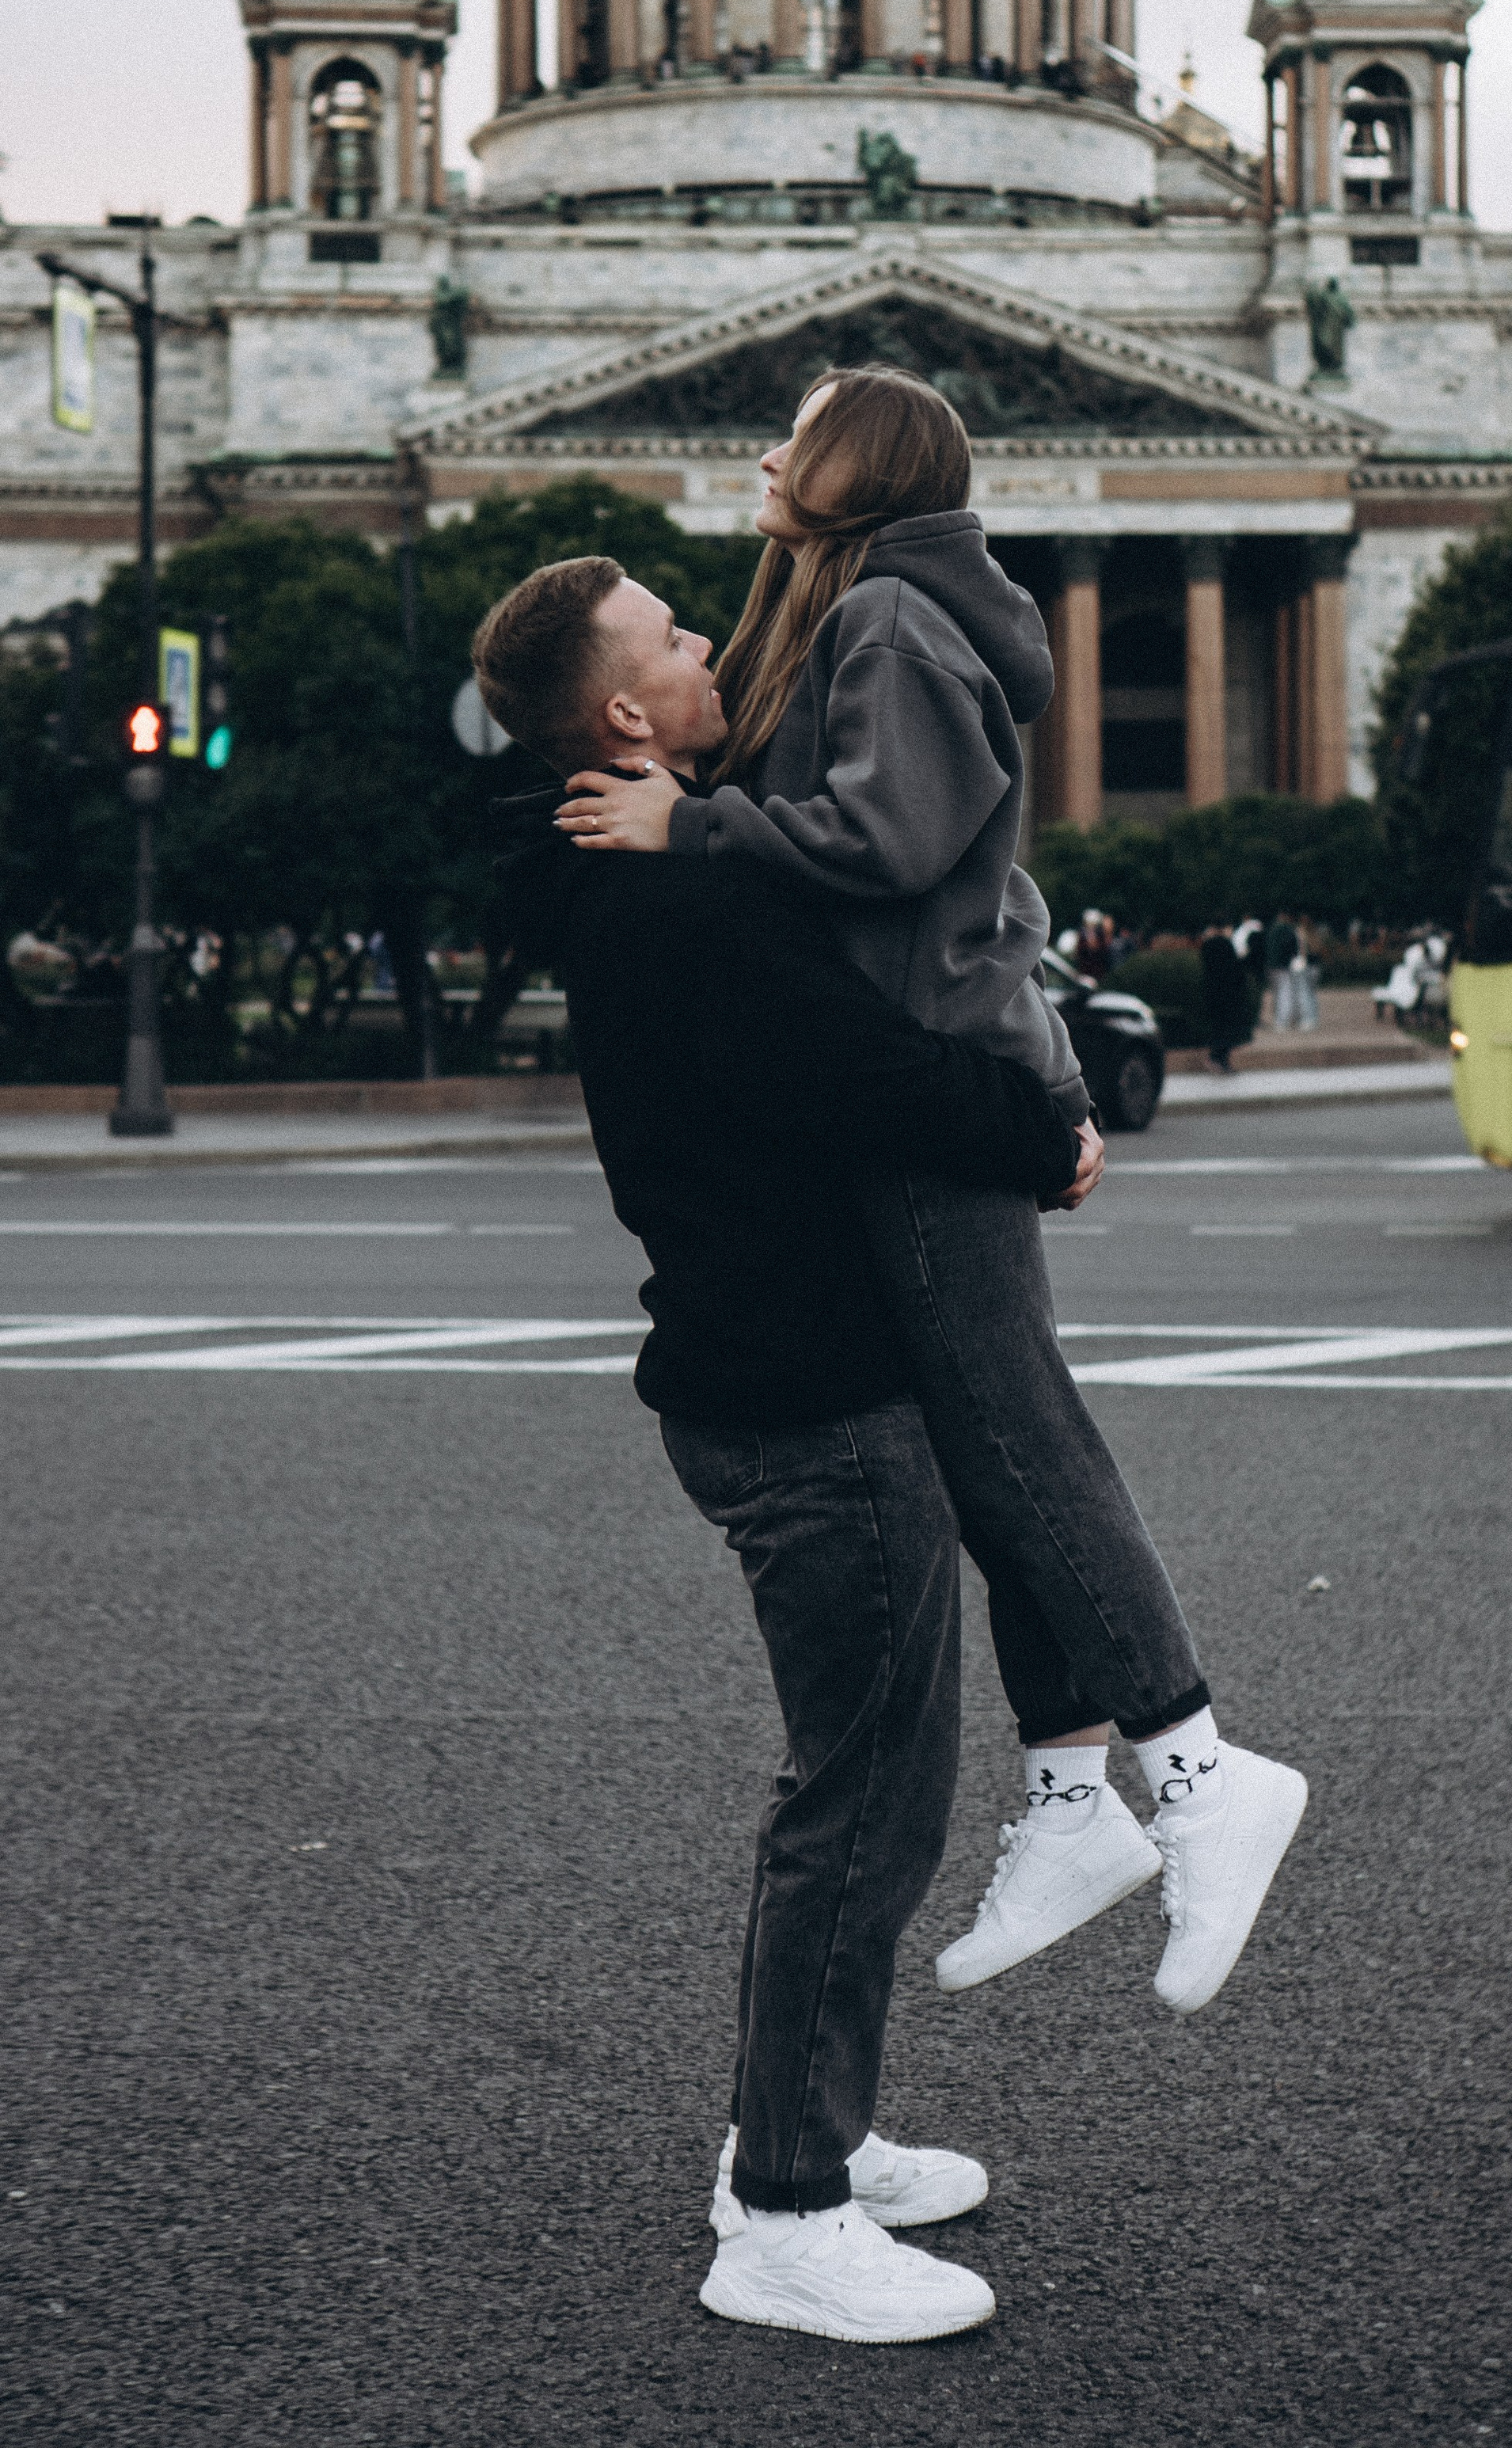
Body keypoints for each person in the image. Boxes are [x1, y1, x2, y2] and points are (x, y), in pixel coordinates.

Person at [545, 370, 1304, 2013]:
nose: (761, 457)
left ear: (855, 472)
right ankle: (1067, 1797)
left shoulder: (885, 619)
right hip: (946, 1067)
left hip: (935, 1086)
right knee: (986, 1446)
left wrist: (700, 831)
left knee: (1017, 1435)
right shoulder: (872, 612)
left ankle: (1187, 1764)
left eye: (793, 437)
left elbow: (891, 850)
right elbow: (966, 867)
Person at [477, 562, 1090, 2340]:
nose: (708, 651)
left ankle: (796, 2129)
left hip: (774, 1375)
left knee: (858, 1786)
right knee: (859, 1804)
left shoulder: (652, 858)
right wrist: (1042, 1123)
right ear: (617, 717)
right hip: (807, 1398)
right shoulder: (676, 898)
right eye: (674, 639)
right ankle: (784, 2210)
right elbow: (855, 1073)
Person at [1199, 922, 1251, 1073]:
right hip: (1227, 994)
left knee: (1217, 1027)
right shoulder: (1227, 945)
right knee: (1227, 1029)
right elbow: (1235, 970)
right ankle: (1220, 1059)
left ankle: (1216, 1058)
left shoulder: (1207, 946)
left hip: (1212, 993)